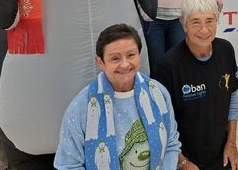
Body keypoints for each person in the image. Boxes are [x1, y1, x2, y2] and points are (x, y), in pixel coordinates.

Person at [54, 24, 181, 170]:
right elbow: (68, 165)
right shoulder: (81, 107)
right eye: (115, 58)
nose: (125, 64)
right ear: (100, 62)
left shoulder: (158, 92)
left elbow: (171, 144)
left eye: (131, 55)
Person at [153, 0, 238, 170]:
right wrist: (182, 162)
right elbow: (159, 123)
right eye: (195, 22)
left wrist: (232, 143)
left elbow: (232, 96)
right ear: (184, 25)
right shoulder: (167, 67)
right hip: (184, 159)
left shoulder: (226, 50)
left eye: (210, 21)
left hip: (221, 154)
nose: (204, 30)